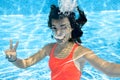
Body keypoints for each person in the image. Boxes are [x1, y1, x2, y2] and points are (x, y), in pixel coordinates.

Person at [4, 5, 120, 80]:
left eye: (63, 27)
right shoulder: (49, 48)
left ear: (72, 28)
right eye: (54, 28)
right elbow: (25, 63)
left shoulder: (81, 52)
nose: (58, 32)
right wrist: (13, 59)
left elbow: (108, 68)